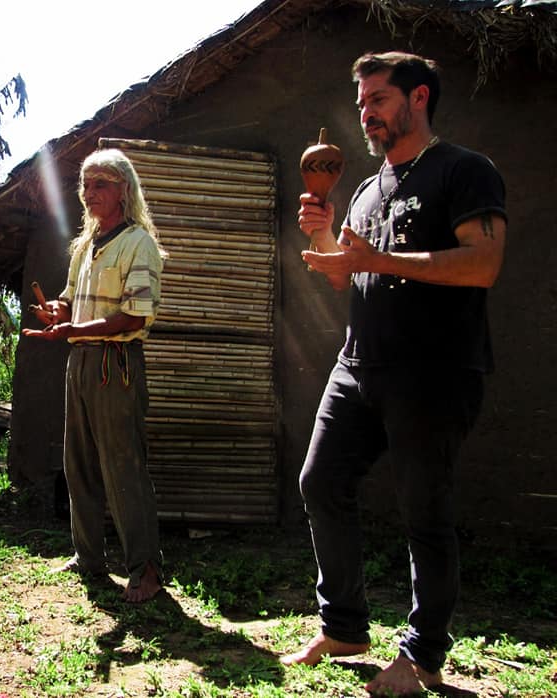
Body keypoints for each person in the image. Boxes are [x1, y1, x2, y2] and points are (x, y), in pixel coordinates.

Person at [281, 51, 507, 695]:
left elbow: (483, 263)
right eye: (361, 104)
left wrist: (379, 259)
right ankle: (345, 627)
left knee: (423, 510)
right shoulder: (365, 189)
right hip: (359, 364)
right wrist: (325, 237)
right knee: (322, 481)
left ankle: (423, 655)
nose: (366, 114)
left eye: (378, 99)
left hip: (434, 370)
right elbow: (349, 274)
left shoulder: (463, 170)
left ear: (419, 98)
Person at [23, 149, 165, 603]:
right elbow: (69, 300)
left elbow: (134, 315)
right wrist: (58, 310)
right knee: (79, 463)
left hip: (114, 364)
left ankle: (145, 570)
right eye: (85, 184)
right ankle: (88, 557)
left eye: (101, 183)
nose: (90, 193)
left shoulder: (138, 243)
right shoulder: (86, 246)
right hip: (81, 361)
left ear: (124, 189)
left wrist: (74, 329)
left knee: (123, 466)